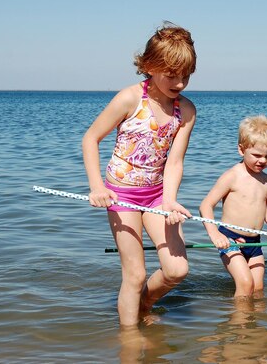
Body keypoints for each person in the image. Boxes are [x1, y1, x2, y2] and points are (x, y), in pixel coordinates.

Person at [82, 22, 197, 326]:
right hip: (121, 195)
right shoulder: (130, 98)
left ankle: (144, 304)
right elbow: (90, 139)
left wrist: (170, 201)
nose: (180, 83)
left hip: (157, 194)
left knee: (177, 270)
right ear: (149, 66)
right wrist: (96, 187)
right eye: (171, 75)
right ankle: (130, 343)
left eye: (186, 75)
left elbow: (174, 162)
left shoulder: (185, 110)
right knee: (135, 274)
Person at [199, 115, 267, 298]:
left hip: (255, 242)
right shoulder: (232, 176)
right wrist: (214, 234)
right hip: (230, 239)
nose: (262, 161)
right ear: (241, 150)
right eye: (256, 155)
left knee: (257, 290)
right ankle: (238, 325)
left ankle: (255, 324)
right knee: (245, 284)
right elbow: (206, 206)